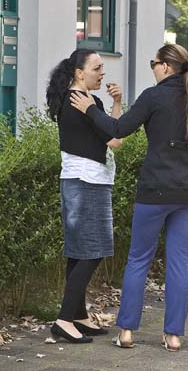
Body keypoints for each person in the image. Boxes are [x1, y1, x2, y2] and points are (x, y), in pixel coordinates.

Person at [70, 44, 188, 351]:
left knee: (139, 259)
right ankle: (174, 336)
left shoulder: (153, 97)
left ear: (166, 67)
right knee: (179, 263)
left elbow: (117, 128)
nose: (152, 68)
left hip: (154, 191)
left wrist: (89, 109)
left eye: (154, 63)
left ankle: (126, 332)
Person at [45, 49, 123, 344]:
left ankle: (77, 315)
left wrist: (113, 103)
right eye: (97, 68)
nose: (102, 73)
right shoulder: (83, 103)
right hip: (87, 181)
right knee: (94, 251)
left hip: (77, 181)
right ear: (79, 73)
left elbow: (111, 135)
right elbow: (116, 140)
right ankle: (64, 319)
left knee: (79, 252)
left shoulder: (72, 99)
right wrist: (113, 105)